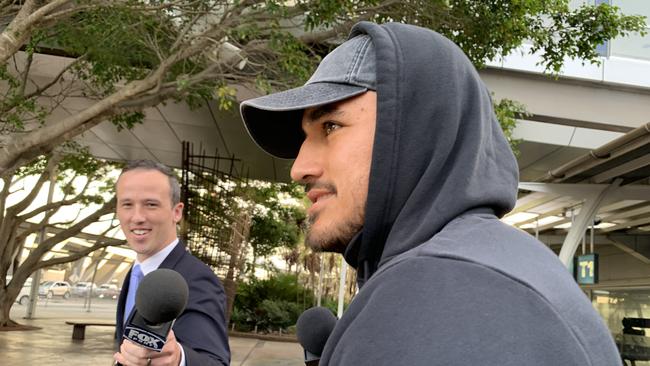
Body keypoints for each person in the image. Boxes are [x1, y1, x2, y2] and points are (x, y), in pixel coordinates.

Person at [240, 22, 620, 365]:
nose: (299, 167)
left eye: (331, 125)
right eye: (306, 138)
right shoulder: (488, 265)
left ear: (415, 134)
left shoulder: (442, 288)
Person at [113, 160, 230, 366]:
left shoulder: (197, 279)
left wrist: (178, 359)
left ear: (177, 212)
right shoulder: (136, 270)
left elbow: (216, 362)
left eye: (151, 204)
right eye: (127, 204)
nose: (137, 217)